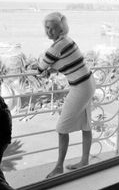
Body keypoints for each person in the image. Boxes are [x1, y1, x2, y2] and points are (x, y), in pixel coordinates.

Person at [37, 12, 96, 178]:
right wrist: (52, 66)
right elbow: (63, 62)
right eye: (46, 28)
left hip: (80, 87)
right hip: (88, 83)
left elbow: (40, 68)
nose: (48, 31)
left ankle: (58, 167)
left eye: (52, 28)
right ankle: (84, 161)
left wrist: (47, 66)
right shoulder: (67, 40)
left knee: (62, 128)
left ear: (59, 29)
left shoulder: (56, 47)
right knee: (86, 124)